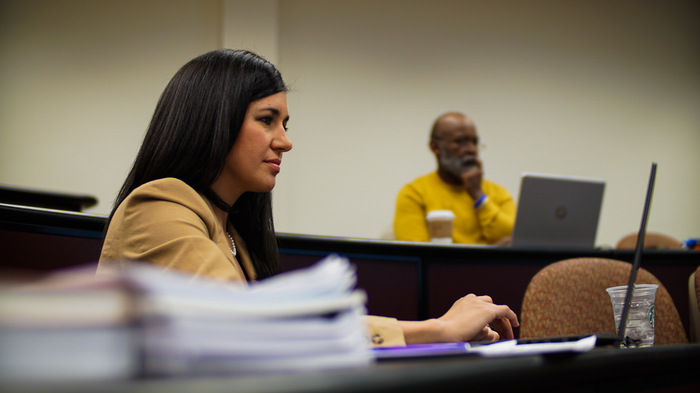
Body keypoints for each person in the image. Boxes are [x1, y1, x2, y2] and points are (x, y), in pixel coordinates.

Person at [98, 49, 518, 347]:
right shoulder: (159, 205)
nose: (285, 142)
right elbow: (254, 328)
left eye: (285, 123)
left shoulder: (230, 231)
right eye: (267, 120)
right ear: (214, 122)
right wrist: (438, 330)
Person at [393, 112, 515, 245]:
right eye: (461, 142)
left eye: (475, 142)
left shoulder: (499, 193)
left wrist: (479, 196)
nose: (472, 150)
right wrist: (489, 255)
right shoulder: (413, 193)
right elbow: (418, 256)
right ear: (435, 147)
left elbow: (516, 242)